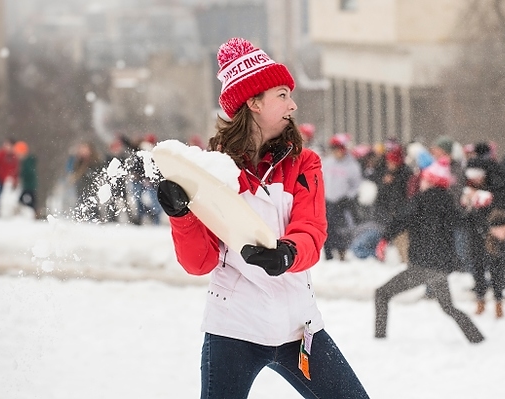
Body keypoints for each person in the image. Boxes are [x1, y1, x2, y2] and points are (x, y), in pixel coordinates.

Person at [156, 38, 370, 398]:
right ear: (253, 102)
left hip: (299, 330)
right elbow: (199, 262)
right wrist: (182, 216)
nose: (293, 104)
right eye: (283, 94)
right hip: (233, 329)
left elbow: (312, 232)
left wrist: (287, 252)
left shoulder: (305, 164)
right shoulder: (215, 170)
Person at [374, 157, 485, 343]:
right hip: (440, 268)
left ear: (431, 180)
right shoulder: (449, 202)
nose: (422, 182)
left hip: (423, 266)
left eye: (425, 179)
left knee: (381, 294)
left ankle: (379, 339)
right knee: (448, 307)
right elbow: (462, 223)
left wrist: (385, 238)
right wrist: (473, 209)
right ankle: (477, 338)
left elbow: (401, 219)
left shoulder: (420, 201)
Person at [321, 132, 363, 261]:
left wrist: (348, 197)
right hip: (327, 201)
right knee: (326, 227)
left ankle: (342, 253)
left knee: (341, 230)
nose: (336, 152)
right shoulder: (327, 163)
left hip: (342, 203)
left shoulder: (352, 166)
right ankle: (328, 254)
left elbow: (356, 185)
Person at [13, 141, 39, 218]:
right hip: (28, 184)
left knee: (23, 200)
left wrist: (21, 174)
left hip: (29, 184)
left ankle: (34, 212)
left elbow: (29, 172)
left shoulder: (27, 161)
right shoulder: (25, 161)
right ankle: (34, 212)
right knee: (31, 199)